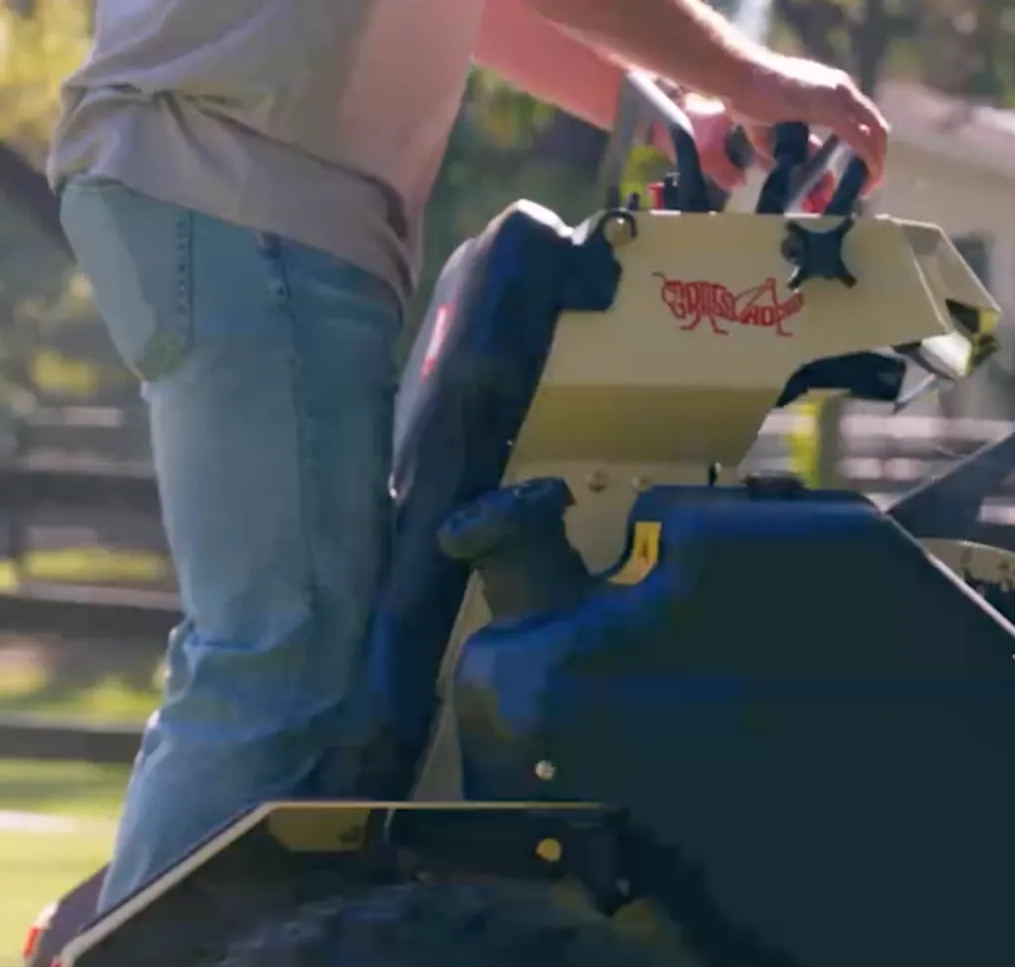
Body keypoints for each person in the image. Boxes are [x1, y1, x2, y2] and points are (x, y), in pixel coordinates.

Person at [49, 0, 891, 908]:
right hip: (241, 180)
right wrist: (753, 77)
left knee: (297, 657)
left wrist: (677, 106)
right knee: (282, 659)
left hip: (234, 179)